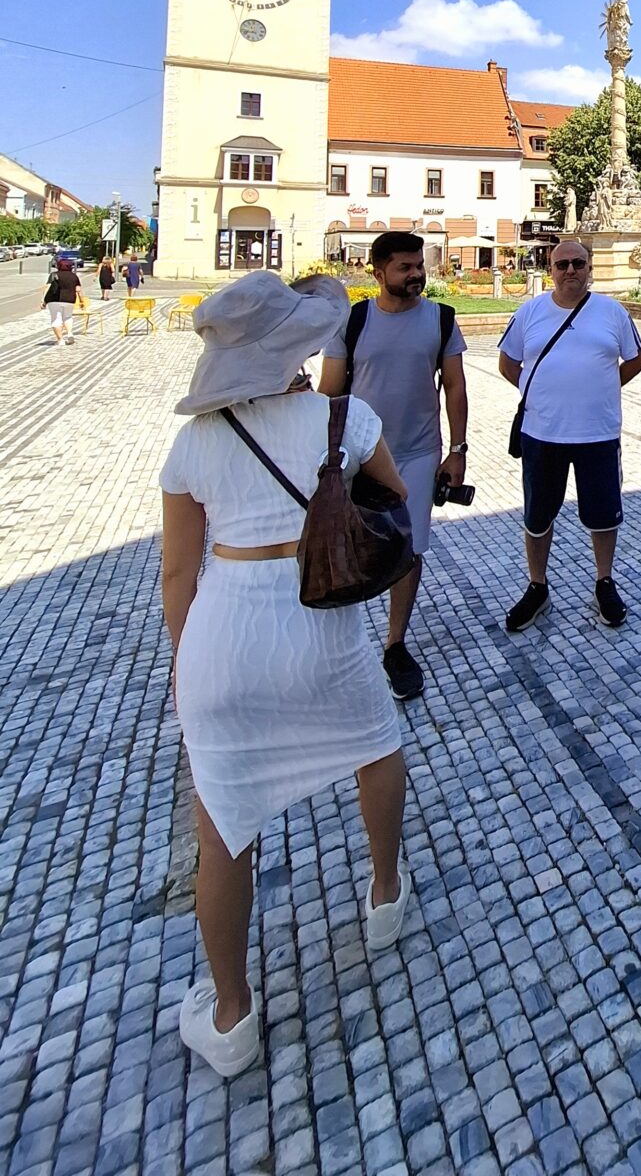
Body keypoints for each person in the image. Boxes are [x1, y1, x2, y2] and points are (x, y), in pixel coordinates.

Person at [160, 272, 411, 1080]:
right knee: (376, 745)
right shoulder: (343, 418)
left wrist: (185, 662)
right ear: (295, 347)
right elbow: (394, 500)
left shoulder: (193, 442)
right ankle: (382, 894)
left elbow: (176, 574)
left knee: (222, 826)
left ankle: (231, 1014)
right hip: (321, 621)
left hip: (226, 631)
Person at [319, 233, 467, 701]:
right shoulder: (353, 320)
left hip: (419, 452)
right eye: (405, 267)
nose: (416, 275)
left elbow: (456, 389)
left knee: (409, 550)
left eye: (418, 265)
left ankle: (395, 643)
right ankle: (337, 644)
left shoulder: (441, 319)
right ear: (378, 272)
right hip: (357, 455)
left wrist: (457, 450)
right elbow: (330, 391)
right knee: (346, 545)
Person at [498, 237, 641, 631]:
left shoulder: (612, 312)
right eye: (562, 265)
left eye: (578, 264)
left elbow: (636, 359)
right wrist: (543, 393)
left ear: (590, 267)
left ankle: (604, 580)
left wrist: (601, 388)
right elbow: (508, 363)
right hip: (541, 432)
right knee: (538, 513)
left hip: (597, 432)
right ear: (550, 269)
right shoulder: (530, 312)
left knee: (602, 513)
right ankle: (537, 585)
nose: (570, 272)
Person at [42, 257, 81, 346]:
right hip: (69, 299)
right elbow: (78, 289)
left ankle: (60, 340)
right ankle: (70, 333)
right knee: (68, 317)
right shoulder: (74, 276)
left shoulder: (54, 275)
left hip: (54, 299)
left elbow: (47, 287)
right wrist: (81, 300)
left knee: (56, 319)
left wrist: (43, 300)